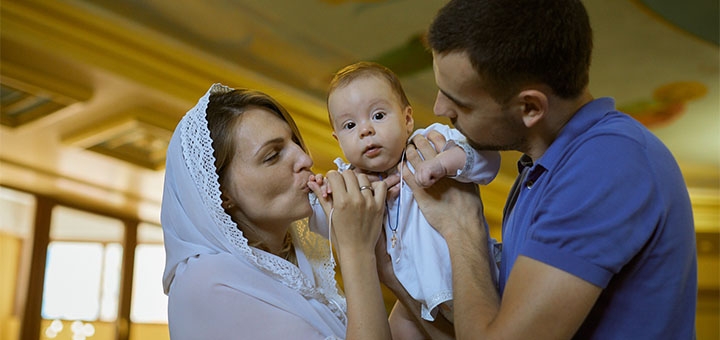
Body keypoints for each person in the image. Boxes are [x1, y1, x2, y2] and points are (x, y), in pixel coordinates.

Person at [393, 0, 698, 339]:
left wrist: (462, 227)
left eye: (459, 102)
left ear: (530, 107)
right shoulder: (540, 172)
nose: (438, 108)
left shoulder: (608, 164)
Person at [161, 83, 398, 339]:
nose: (305, 160)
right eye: (273, 155)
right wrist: (357, 253)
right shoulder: (206, 282)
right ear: (222, 193)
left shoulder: (296, 266)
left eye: (295, 142)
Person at [309, 61, 501, 338]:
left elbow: (486, 161)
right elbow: (328, 225)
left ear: (407, 119)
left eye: (377, 115)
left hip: (473, 276)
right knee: (395, 330)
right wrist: (322, 196)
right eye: (350, 125)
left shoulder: (428, 145)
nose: (365, 130)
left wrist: (445, 164)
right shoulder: (352, 183)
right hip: (417, 296)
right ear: (338, 139)